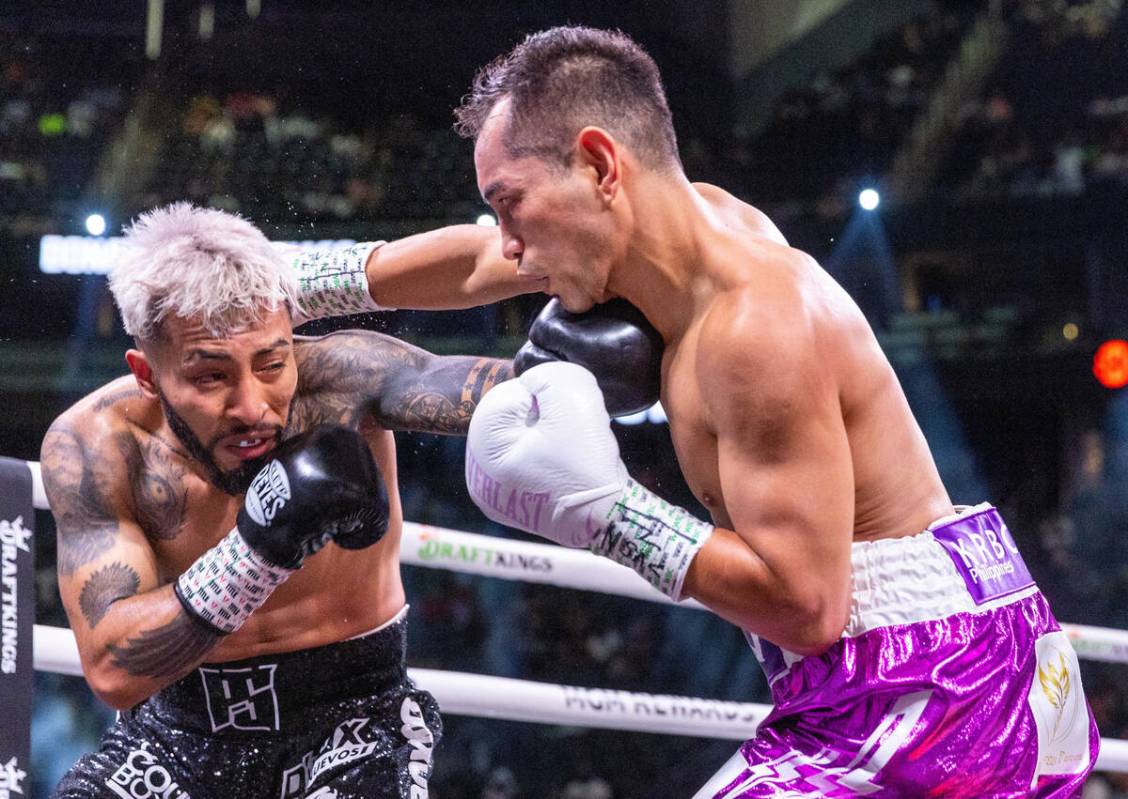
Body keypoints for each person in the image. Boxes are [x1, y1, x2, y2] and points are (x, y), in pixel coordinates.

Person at [455, 26, 1099, 797]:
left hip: (938, 688)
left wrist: (608, 511)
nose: (512, 249)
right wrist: (315, 279)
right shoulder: (705, 224)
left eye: (509, 206)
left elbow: (806, 608)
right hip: (941, 657)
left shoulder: (754, 329)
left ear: (599, 165)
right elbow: (467, 260)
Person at [40, 202, 540, 799]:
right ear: (147, 374)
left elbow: (523, 393)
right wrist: (259, 549)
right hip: (175, 736)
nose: (253, 406)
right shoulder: (97, 446)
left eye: (273, 363)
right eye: (210, 377)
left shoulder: (342, 381)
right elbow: (113, 670)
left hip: (355, 720)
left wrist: (613, 339)